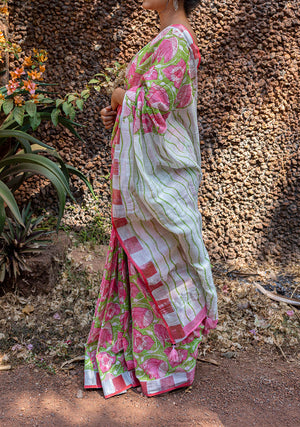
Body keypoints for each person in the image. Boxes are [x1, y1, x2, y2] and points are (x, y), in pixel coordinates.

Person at [84, 0, 218, 398]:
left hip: (161, 177)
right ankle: (146, 355)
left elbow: (153, 105)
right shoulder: (167, 39)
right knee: (152, 258)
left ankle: (166, 360)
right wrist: (117, 108)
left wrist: (119, 93)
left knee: (164, 258)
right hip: (149, 175)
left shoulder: (176, 40)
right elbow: (145, 103)